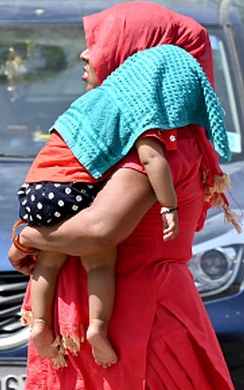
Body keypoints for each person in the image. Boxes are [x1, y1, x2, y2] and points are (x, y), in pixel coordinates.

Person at [8, 1, 244, 390]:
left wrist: (27, 237)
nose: (84, 57)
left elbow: (100, 231)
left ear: (138, 59)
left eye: (98, 45)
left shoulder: (161, 145)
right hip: (123, 323)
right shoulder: (142, 139)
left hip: (136, 330)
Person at [16, 48, 184, 367]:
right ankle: (97, 328)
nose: (83, 60)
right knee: (100, 262)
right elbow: (152, 159)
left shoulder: (87, 104)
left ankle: (39, 323)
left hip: (35, 188)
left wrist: (25, 234)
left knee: (48, 264)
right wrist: (169, 205)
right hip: (73, 190)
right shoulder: (138, 110)